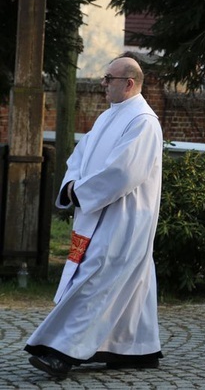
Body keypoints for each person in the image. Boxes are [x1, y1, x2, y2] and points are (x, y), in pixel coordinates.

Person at [25, 56, 163, 379]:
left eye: (108, 78)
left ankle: (61, 352)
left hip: (125, 219)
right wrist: (72, 185)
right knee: (132, 283)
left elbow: (124, 171)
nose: (102, 83)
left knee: (95, 280)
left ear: (128, 83)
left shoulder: (144, 121)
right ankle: (134, 349)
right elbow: (80, 155)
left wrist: (82, 193)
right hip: (98, 213)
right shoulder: (107, 118)